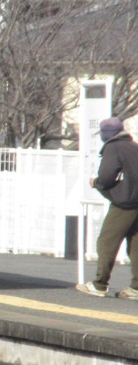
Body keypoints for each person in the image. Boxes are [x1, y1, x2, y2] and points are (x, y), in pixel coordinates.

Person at [77, 116, 138, 298]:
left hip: (125, 203)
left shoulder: (113, 147)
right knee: (135, 243)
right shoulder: (133, 147)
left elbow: (107, 175)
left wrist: (96, 182)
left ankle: (99, 285)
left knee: (107, 241)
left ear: (107, 134)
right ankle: (135, 288)